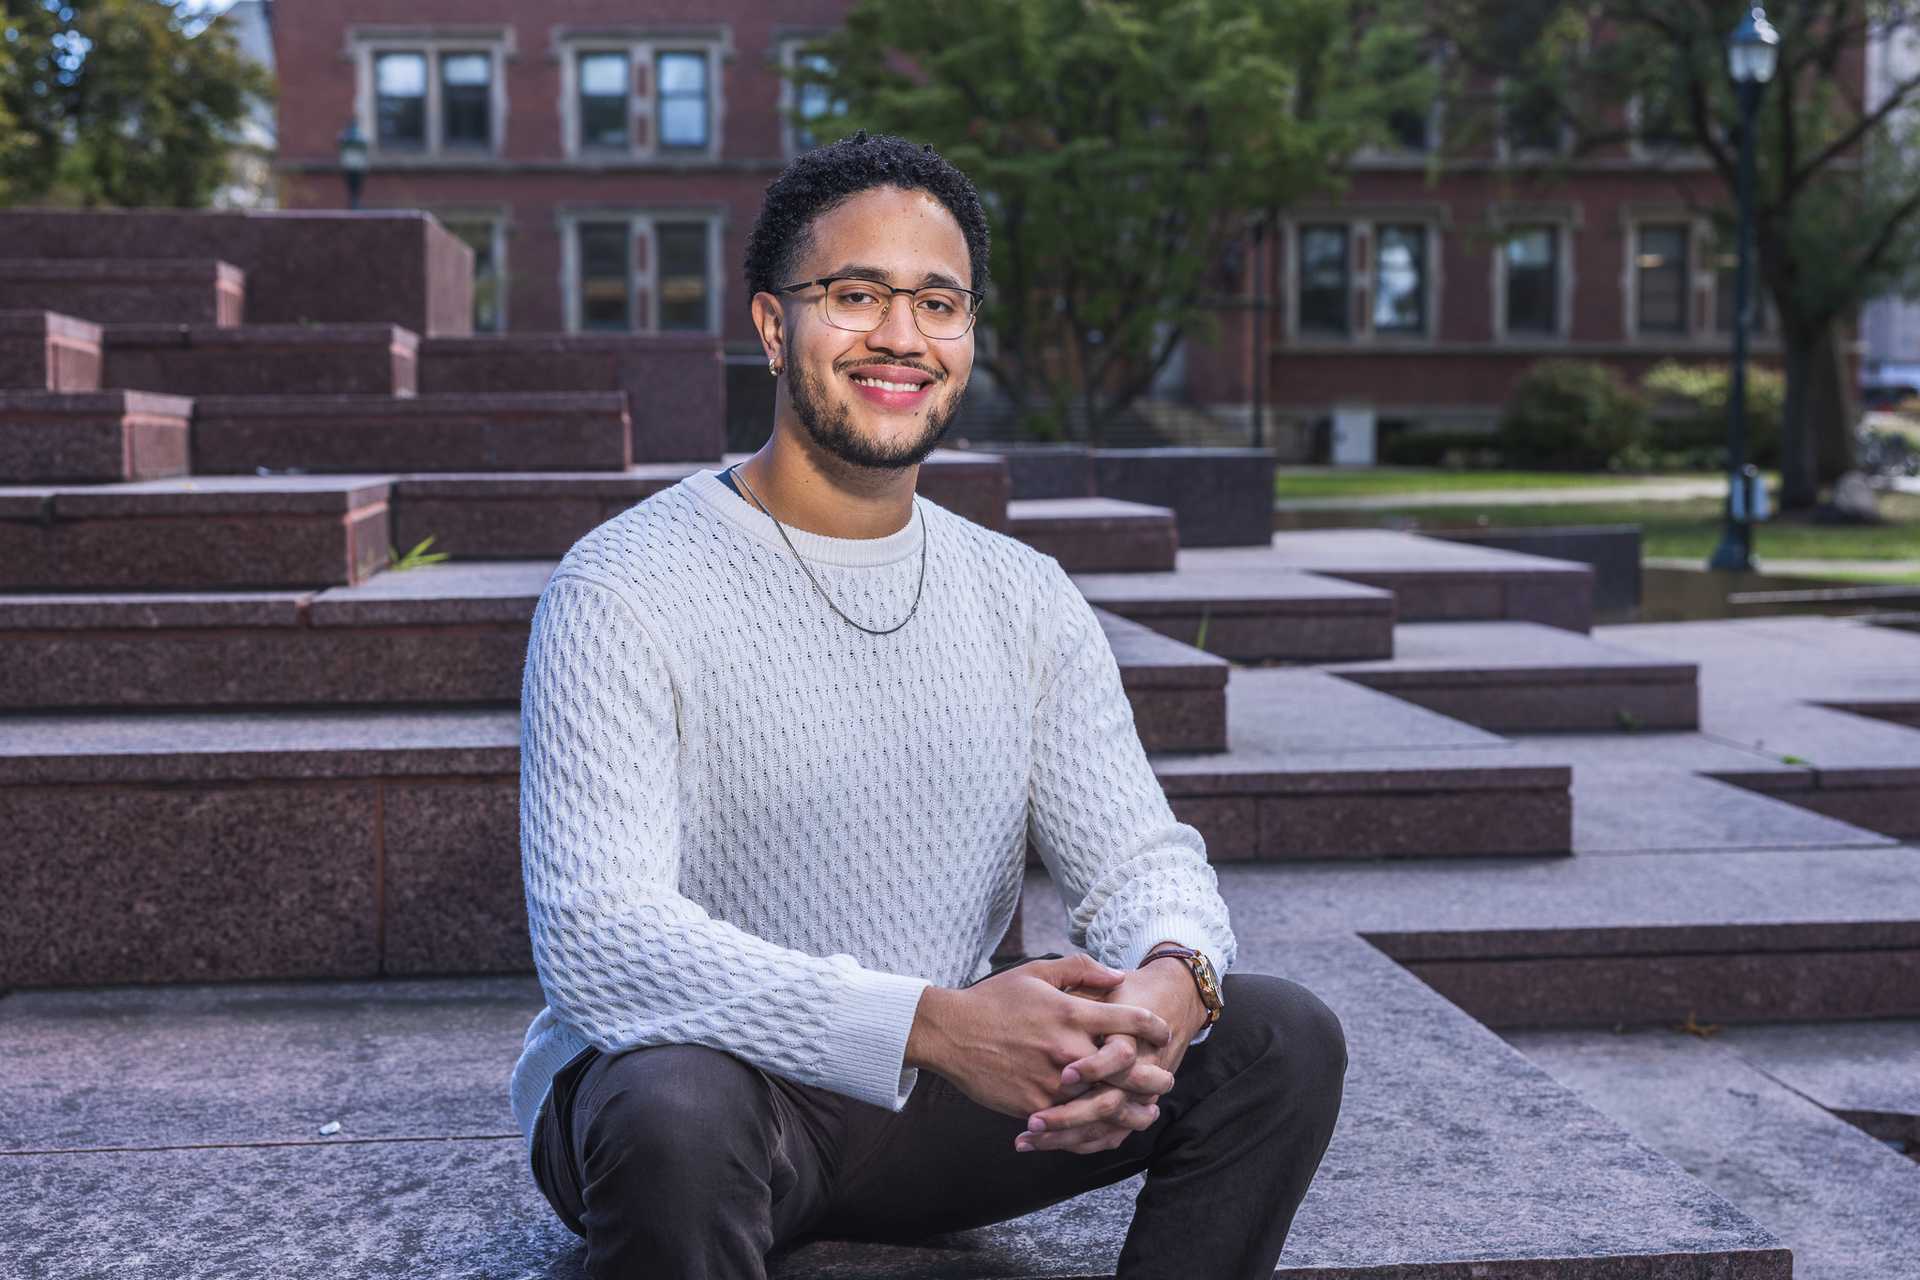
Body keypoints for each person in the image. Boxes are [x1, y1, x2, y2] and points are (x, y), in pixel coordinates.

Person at [511, 130, 1347, 1279]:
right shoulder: (623, 584)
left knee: (1279, 1039)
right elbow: (601, 941)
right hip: (711, 1101)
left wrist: (1168, 985)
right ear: (772, 325)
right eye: (855, 294)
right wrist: (938, 1022)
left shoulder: (1020, 592)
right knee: (674, 1107)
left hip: (938, 1101)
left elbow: (1141, 858)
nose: (901, 335)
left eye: (938, 302)